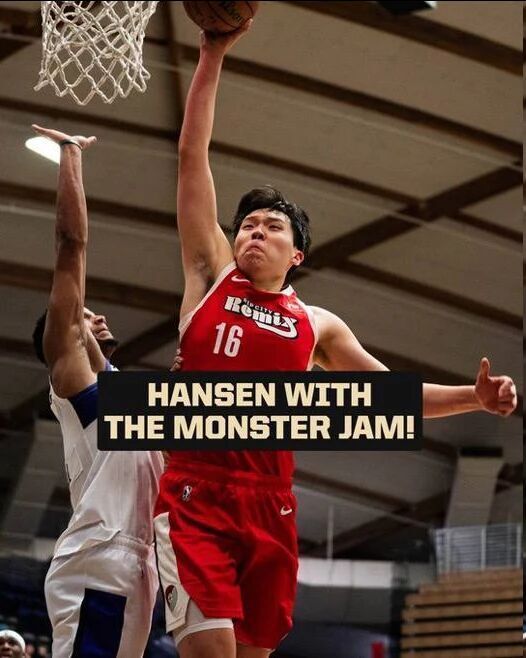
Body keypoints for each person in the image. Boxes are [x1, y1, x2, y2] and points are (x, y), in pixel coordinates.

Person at [154, 24, 517, 658]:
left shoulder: (317, 323)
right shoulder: (209, 275)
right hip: (194, 492)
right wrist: (210, 54)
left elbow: (391, 398)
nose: (254, 232)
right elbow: (192, 158)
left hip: (269, 502)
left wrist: (475, 398)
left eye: (272, 226)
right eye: (247, 224)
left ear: (296, 255)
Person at [30, 125, 164, 658]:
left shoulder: (126, 396)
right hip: (101, 553)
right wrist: (71, 156)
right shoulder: (72, 379)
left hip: (138, 560)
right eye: (84, 315)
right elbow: (72, 246)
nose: (97, 315)